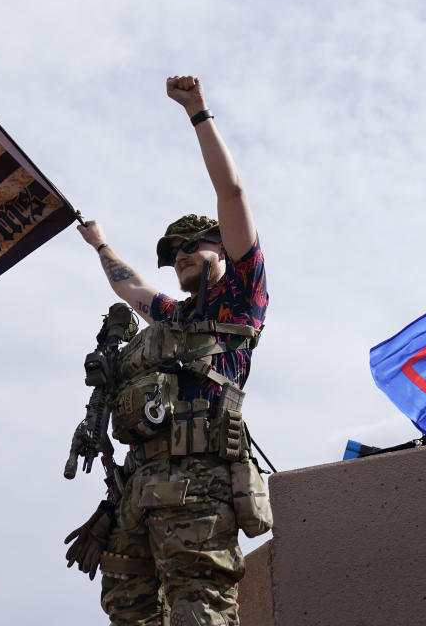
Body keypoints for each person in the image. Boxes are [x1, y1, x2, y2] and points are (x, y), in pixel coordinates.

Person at [74, 75, 269, 626]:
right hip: (139, 486)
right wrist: (100, 243)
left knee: (198, 611)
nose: (181, 255)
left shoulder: (239, 300)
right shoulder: (175, 315)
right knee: (127, 607)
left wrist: (198, 112)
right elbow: (129, 287)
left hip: (201, 483)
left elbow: (231, 195)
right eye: (173, 251)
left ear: (223, 251)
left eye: (193, 246)